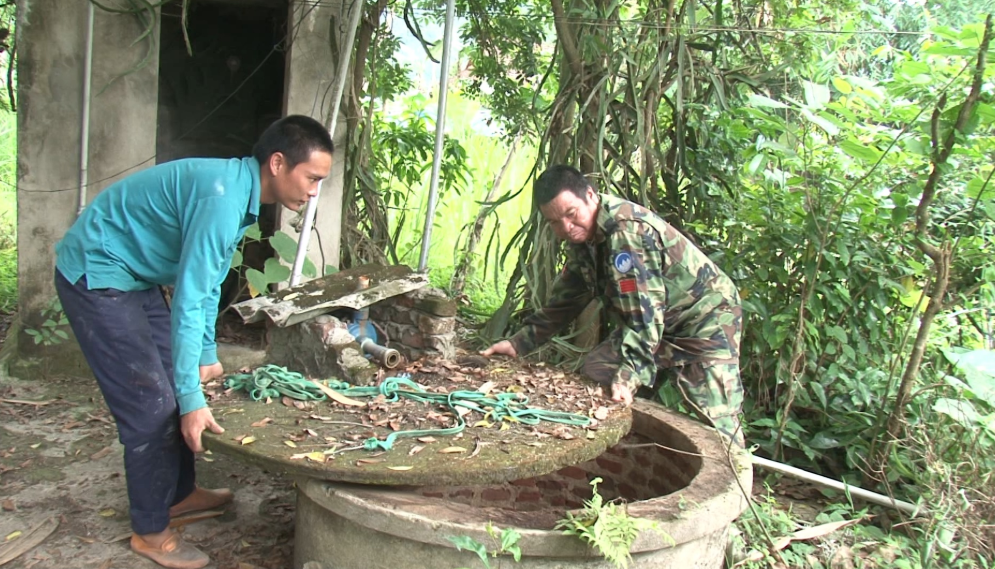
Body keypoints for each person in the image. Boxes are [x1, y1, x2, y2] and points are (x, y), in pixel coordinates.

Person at [54, 115, 334, 569]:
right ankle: (150, 530)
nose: (314, 190)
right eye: (312, 178)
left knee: (174, 382)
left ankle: (179, 496)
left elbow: (208, 283)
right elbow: (187, 299)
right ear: (278, 163)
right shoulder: (221, 197)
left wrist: (205, 356)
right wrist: (189, 396)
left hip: (133, 274)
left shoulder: (236, 191)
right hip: (97, 272)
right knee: (150, 405)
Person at [483, 165, 744, 445]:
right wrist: (519, 343)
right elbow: (568, 297)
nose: (567, 228)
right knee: (601, 371)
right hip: (660, 322)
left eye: (571, 214)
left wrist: (629, 375)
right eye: (555, 222)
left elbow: (645, 317)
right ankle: (630, 450)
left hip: (706, 322)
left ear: (591, 196)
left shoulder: (627, 235)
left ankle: (739, 482)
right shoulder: (584, 237)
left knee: (718, 426)